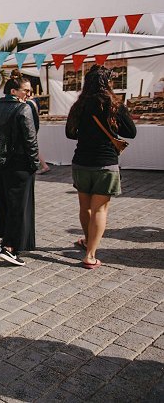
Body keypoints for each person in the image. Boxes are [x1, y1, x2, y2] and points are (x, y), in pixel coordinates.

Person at [66, 65, 137, 269]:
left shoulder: (78, 105)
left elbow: (70, 133)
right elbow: (131, 132)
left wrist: (87, 134)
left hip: (81, 162)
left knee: (84, 207)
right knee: (100, 210)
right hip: (105, 163)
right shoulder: (114, 105)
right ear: (108, 83)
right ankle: (90, 254)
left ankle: (88, 241)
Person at [0, 75, 40, 267]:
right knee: (19, 207)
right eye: (26, 90)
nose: (29, 94)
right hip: (19, 165)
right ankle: (10, 247)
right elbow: (30, 140)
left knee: (4, 204)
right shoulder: (24, 109)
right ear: (13, 91)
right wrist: (34, 164)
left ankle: (5, 239)